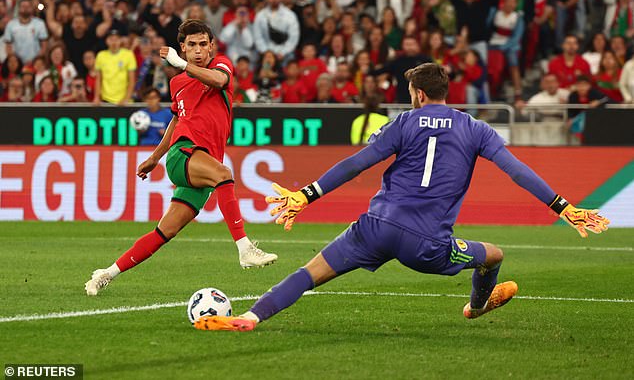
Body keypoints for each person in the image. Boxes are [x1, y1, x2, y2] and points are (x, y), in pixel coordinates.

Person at [192, 62, 610, 331]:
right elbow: (517, 171)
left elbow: (359, 162)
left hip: (375, 228)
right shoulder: (476, 128)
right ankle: (476, 308)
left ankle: (249, 316)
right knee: (494, 255)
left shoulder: (405, 122)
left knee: (310, 273)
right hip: (428, 244)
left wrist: (308, 194)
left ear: (420, 94)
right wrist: (563, 206)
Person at [85, 20, 277, 296]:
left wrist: (182, 64)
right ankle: (245, 248)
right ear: (183, 48)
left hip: (202, 163)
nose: (198, 50)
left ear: (211, 46)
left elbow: (219, 81)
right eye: (191, 46)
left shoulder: (220, 65)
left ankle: (107, 273)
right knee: (224, 174)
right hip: (183, 154)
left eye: (203, 44)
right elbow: (178, 121)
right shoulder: (177, 82)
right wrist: (156, 157)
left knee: (164, 233)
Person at [93, 29, 137, 106]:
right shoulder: (101, 55)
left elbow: (132, 80)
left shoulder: (128, 55)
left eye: (116, 39)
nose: (114, 42)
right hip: (106, 100)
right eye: (111, 39)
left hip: (124, 101)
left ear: (120, 41)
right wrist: (96, 97)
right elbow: (98, 79)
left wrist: (126, 99)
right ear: (106, 41)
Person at [3, 0, 48, 64]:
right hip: (17, 63)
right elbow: (8, 47)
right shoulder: (11, 25)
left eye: (28, 6)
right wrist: (14, 61)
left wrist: (36, 61)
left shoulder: (40, 24)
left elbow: (44, 46)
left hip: (35, 63)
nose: (25, 9)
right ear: (19, 8)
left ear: (32, 8)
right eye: (23, 6)